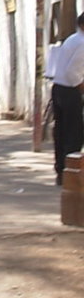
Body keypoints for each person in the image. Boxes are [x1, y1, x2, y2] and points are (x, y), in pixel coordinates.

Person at [51, 12, 84, 185]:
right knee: (74, 133)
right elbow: (73, 72)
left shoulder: (71, 39)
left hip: (58, 87)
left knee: (61, 132)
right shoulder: (82, 43)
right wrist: (80, 85)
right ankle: (70, 172)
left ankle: (61, 171)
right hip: (70, 90)